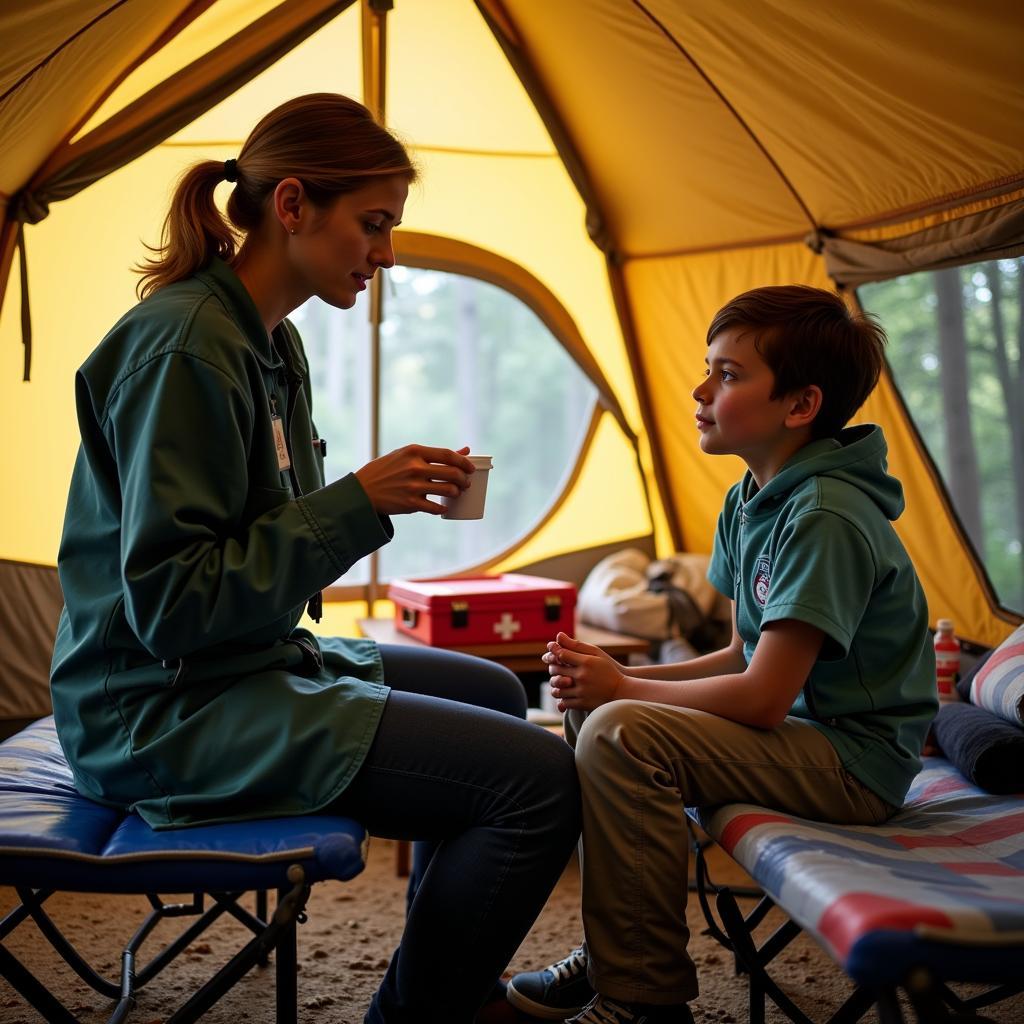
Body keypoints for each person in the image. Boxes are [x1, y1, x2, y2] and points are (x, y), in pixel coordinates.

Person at [49, 93, 581, 1024]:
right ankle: (424, 1014)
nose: (385, 253)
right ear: (292, 205)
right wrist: (355, 503)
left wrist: (357, 505)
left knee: (498, 696)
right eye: (372, 225)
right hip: (159, 709)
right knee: (533, 784)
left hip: (234, 665)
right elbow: (171, 606)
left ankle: (446, 985)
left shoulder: (272, 343)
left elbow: (263, 539)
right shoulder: (187, 349)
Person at [507, 285, 937, 1024]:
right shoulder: (751, 499)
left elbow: (763, 696)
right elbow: (739, 653)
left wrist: (624, 691)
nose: (701, 390)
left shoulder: (826, 516)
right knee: (597, 714)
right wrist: (614, 681)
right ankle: (618, 956)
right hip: (798, 736)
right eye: (708, 368)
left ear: (800, 406)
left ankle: (644, 999)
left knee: (618, 731)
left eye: (729, 375)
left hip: (854, 761)